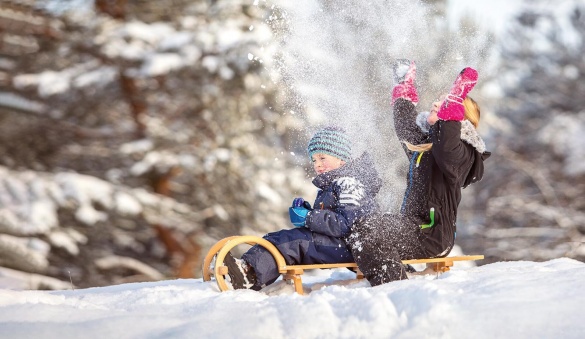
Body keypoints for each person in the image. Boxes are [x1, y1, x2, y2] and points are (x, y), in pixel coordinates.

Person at [345, 60, 491, 286]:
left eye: (444, 101)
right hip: (413, 226)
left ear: (460, 116)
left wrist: (455, 99)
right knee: (362, 225)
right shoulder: (426, 146)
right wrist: (404, 89)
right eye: (439, 99)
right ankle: (401, 277)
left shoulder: (462, 155)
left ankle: (394, 289)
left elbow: (447, 147)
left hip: (432, 233)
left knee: (370, 231)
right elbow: (405, 127)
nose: (435, 103)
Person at [224, 126, 383, 290]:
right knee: (284, 238)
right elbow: (333, 218)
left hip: (352, 245)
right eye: (314, 160)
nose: (317, 165)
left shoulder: (349, 184)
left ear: (341, 159)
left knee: (293, 241)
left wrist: (309, 217)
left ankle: (250, 274)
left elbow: (346, 225)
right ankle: (246, 267)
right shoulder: (333, 185)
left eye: (322, 158)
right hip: (338, 242)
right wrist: (309, 213)